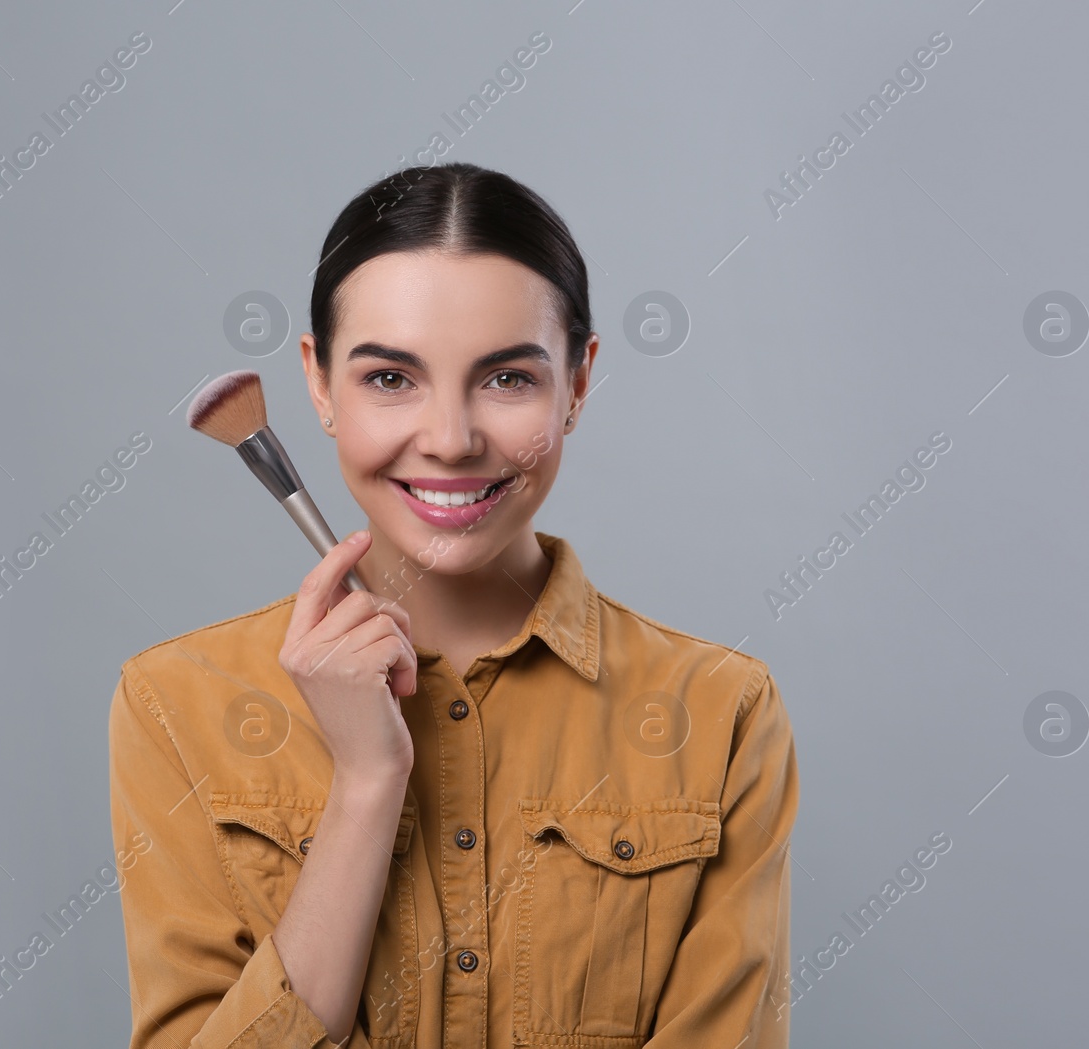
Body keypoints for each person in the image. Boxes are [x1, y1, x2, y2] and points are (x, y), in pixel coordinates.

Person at [107, 162, 799, 1048]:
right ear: (317, 384)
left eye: (507, 378)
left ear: (578, 385)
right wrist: (365, 787)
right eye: (390, 379)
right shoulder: (174, 705)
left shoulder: (722, 713)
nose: (449, 439)